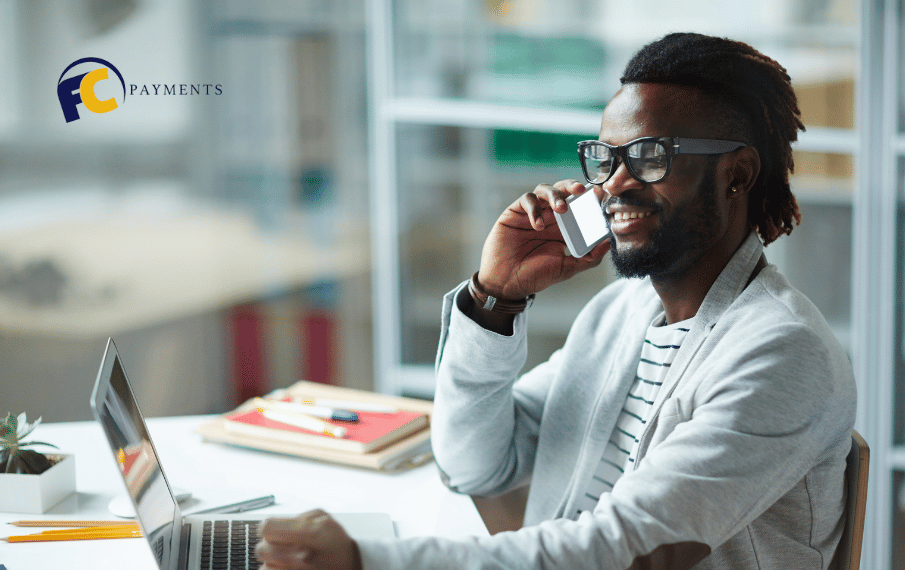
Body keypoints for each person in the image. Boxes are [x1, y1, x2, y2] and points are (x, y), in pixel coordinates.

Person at [256, 32, 857, 570]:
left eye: (650, 157)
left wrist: (368, 562)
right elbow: (473, 465)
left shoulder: (781, 354)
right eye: (606, 158)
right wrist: (494, 300)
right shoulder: (621, 315)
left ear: (738, 173)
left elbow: (624, 549)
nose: (614, 184)